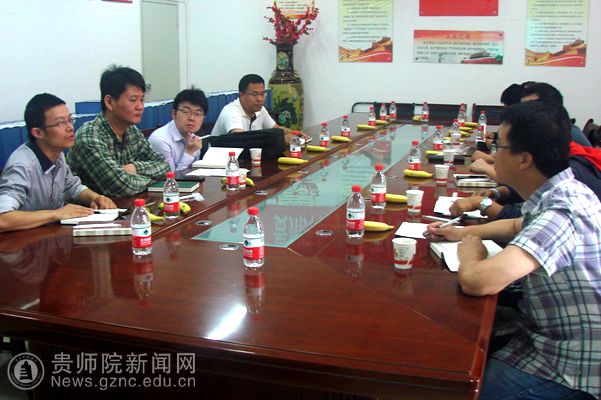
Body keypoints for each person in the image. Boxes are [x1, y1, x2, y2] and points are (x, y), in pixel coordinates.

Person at [426, 101, 600, 400]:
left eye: (500, 147)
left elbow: (478, 281)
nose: (494, 156)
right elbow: (517, 225)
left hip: (571, 363)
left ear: (524, 160)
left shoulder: (562, 213)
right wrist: (463, 232)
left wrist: (471, 252)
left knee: (460, 385)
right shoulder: (561, 191)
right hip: (547, 333)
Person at [0, 94, 116, 233]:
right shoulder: (22, 166)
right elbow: (3, 219)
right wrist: (56, 214)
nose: (70, 127)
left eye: (70, 120)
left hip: (48, 236)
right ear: (38, 132)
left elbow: (74, 188)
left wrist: (96, 198)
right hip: (21, 242)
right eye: (60, 123)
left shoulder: (57, 154)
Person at [66, 66, 169, 197]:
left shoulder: (131, 131)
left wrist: (135, 168)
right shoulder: (89, 136)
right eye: (133, 100)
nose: (140, 106)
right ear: (109, 102)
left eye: (142, 100)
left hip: (126, 204)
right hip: (91, 208)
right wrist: (154, 180)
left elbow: (165, 166)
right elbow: (122, 187)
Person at [210, 74, 307, 143]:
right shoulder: (231, 112)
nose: (260, 99)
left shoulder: (260, 109)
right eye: (254, 94)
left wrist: (294, 133)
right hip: (221, 162)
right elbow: (241, 140)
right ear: (242, 95)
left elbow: (276, 129)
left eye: (262, 94)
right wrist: (282, 140)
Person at [149, 88, 207, 172]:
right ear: (174, 114)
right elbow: (171, 177)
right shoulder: (160, 140)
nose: (192, 118)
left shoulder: (193, 137)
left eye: (197, 114)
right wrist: (189, 152)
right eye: (186, 112)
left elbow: (195, 172)